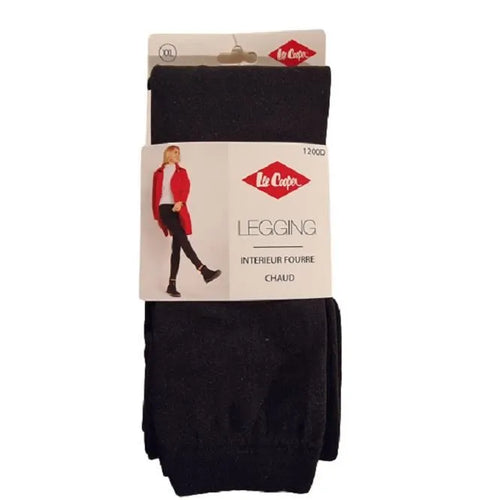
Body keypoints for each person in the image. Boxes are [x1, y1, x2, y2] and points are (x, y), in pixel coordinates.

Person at [152, 145, 221, 297]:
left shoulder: (182, 172)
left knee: (177, 247)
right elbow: (155, 195)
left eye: (179, 153)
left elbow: (186, 188)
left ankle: (171, 285)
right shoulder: (158, 173)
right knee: (183, 238)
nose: (178, 155)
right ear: (168, 154)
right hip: (164, 209)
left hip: (178, 209)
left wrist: (181, 202)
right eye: (175, 152)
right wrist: (157, 216)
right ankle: (202, 269)